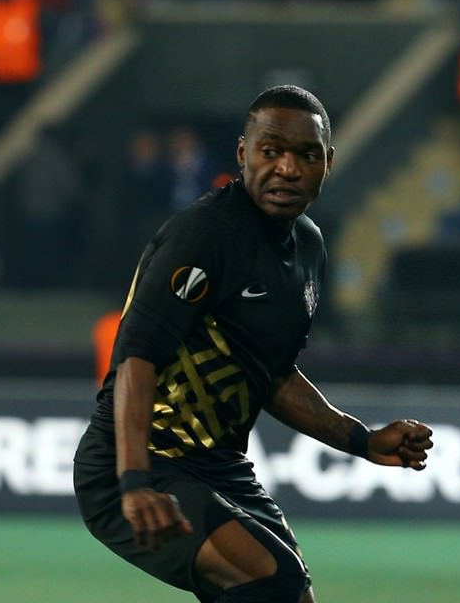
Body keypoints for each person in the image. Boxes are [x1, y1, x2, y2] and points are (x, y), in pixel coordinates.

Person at [72, 85, 433, 603]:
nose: (288, 168)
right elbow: (138, 358)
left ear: (327, 163)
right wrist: (134, 480)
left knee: (291, 595)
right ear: (244, 154)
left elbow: (274, 376)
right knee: (271, 580)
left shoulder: (307, 248)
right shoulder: (205, 234)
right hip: (138, 462)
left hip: (219, 468)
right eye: (271, 151)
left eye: (306, 155)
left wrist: (363, 441)